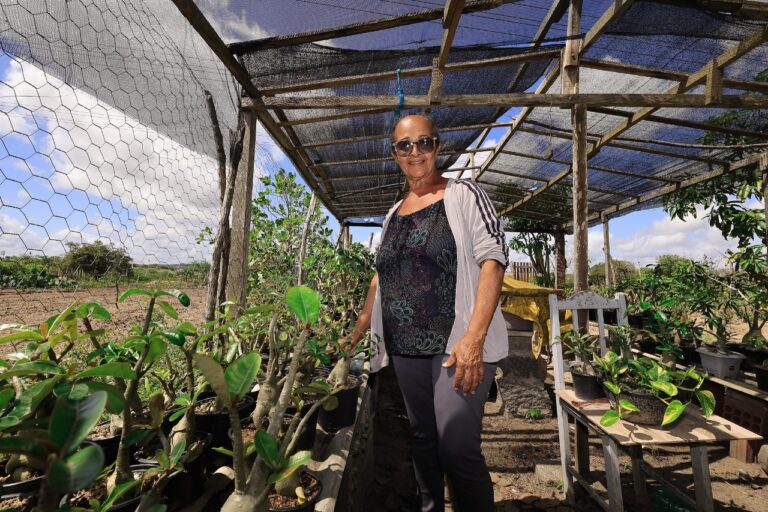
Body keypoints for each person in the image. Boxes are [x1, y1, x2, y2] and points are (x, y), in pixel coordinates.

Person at [344, 114, 509, 512]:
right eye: (405, 145)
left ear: (437, 146)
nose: (415, 152)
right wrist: (361, 326)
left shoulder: (463, 194)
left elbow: (494, 258)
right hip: (405, 345)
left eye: (424, 142)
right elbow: (380, 275)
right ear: (395, 154)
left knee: (456, 447)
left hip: (455, 343)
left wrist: (474, 337)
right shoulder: (393, 213)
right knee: (421, 437)